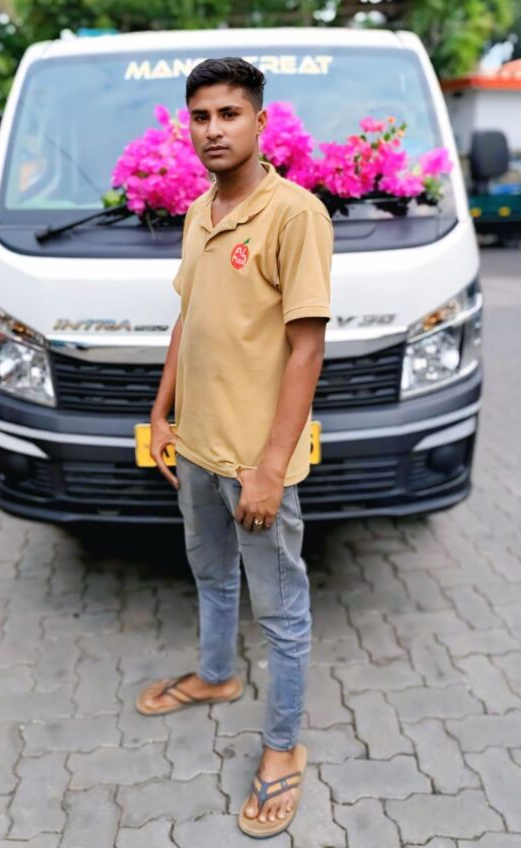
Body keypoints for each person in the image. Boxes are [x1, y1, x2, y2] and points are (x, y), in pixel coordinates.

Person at [135, 57, 333, 839]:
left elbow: (307, 349)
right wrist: (162, 415)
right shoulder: (200, 212)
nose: (213, 130)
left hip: (257, 464)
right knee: (212, 578)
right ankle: (217, 677)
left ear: (260, 121)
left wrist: (271, 468)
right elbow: (190, 320)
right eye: (200, 117)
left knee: (281, 611)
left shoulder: (294, 215)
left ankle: (283, 746)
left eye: (229, 114)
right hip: (196, 450)